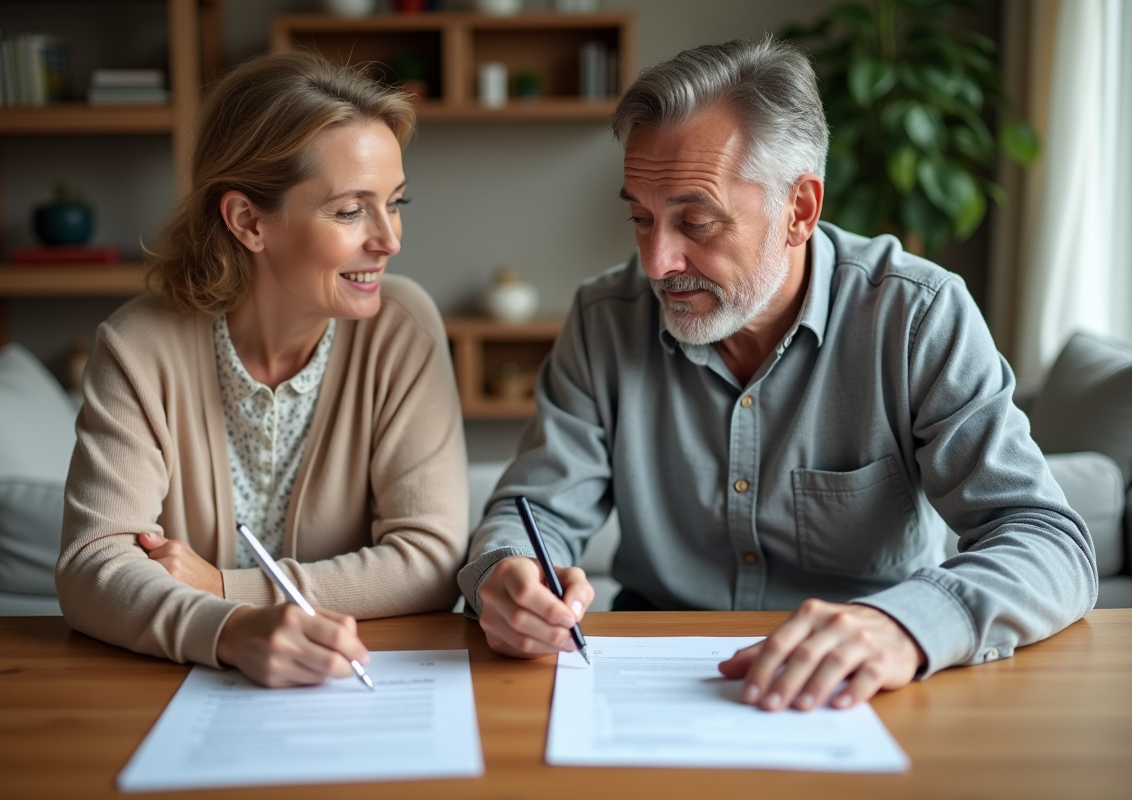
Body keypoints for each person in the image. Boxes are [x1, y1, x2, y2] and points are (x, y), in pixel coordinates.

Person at [459, 37, 1097, 711]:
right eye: (640, 218)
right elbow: (534, 511)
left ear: (799, 210)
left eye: (695, 222)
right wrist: (507, 572)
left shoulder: (915, 316)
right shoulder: (604, 317)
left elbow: (1047, 540)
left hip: (866, 684)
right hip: (653, 684)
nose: (655, 261)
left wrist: (905, 626)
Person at [56, 50, 468, 688]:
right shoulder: (139, 346)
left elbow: (432, 560)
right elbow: (92, 566)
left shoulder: (403, 329)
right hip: (174, 692)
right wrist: (228, 632)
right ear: (248, 221)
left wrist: (228, 588)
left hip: (356, 685)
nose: (390, 238)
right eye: (351, 210)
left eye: (396, 201)